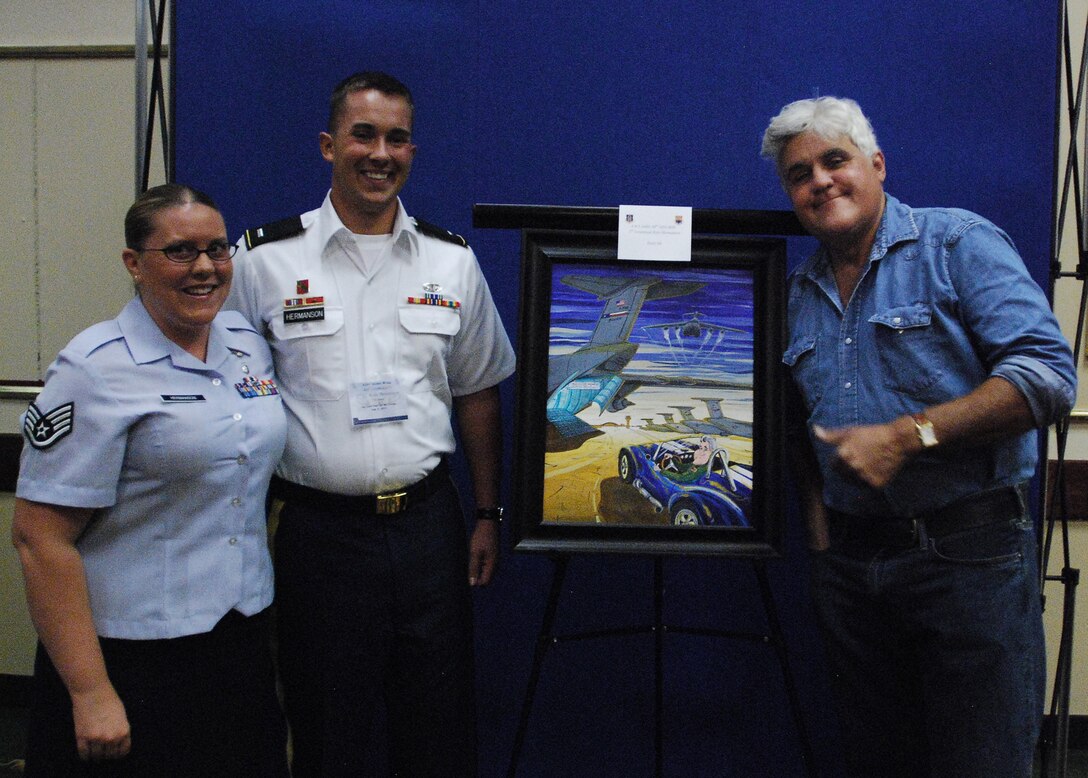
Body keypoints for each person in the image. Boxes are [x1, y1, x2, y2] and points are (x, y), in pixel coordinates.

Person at [761, 97, 1076, 777]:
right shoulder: (795, 293)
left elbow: (1047, 376)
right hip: (851, 570)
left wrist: (909, 436)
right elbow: (794, 435)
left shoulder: (956, 244)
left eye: (834, 160)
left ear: (876, 164)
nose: (820, 181)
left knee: (982, 762)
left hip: (970, 559)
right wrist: (821, 549)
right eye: (799, 174)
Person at [228, 70, 515, 776]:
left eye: (397, 138)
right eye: (363, 134)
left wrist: (485, 513)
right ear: (330, 145)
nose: (380, 152)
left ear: (412, 151)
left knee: (438, 724)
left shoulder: (451, 262)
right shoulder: (263, 260)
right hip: (315, 534)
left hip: (427, 528)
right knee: (326, 726)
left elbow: (478, 392)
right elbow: (227, 393)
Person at [11, 183, 290, 776]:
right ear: (134, 265)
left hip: (237, 638)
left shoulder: (246, 347)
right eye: (180, 251)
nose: (206, 268)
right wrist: (90, 694)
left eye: (217, 249)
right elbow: (40, 541)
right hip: (131, 656)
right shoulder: (94, 369)